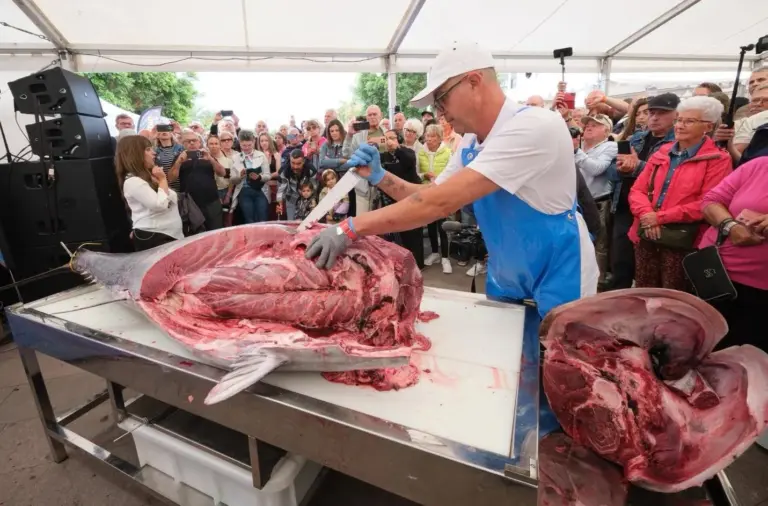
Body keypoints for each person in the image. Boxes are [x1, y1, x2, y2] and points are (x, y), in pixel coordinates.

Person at [306, 41, 598, 320]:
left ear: (473, 81)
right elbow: (429, 193)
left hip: (559, 274)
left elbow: (438, 203)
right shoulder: (472, 142)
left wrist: (349, 228)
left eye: (441, 98)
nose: (439, 111)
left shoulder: (534, 126)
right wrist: (380, 176)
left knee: (560, 363)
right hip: (508, 273)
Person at [628, 96, 732, 290]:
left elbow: (708, 203)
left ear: (708, 127)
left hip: (683, 239)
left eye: (689, 121)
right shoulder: (663, 152)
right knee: (645, 291)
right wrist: (646, 215)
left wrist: (659, 217)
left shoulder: (718, 159)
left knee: (675, 295)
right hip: (646, 233)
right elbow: (637, 190)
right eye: (679, 120)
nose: (680, 125)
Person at [607, 93, 679, 289]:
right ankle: (617, 306)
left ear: (676, 115)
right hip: (624, 206)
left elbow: (669, 177)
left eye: (660, 113)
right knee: (621, 263)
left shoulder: (678, 144)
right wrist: (621, 168)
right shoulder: (635, 138)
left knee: (649, 269)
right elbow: (612, 172)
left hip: (654, 212)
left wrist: (638, 167)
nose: (653, 117)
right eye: (650, 113)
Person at [700, 157, 768, 353]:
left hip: (761, 290)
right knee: (706, 346)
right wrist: (731, 226)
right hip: (716, 275)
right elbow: (710, 201)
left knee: (752, 357)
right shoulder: (759, 165)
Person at [115, 136, 183, 251]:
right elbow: (160, 205)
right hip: (156, 236)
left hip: (167, 234)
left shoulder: (147, 177)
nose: (154, 153)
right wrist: (163, 180)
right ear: (135, 154)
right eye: (147, 149)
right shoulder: (133, 181)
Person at [377, 130, 425, 268]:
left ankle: (417, 265)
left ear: (398, 139)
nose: (389, 141)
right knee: (396, 234)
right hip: (392, 199)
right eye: (385, 139)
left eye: (391, 138)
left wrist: (396, 148)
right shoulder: (382, 156)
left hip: (411, 198)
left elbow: (409, 162)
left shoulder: (407, 151)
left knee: (413, 234)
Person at [169, 131, 226, 231]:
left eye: (194, 140)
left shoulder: (207, 155)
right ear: (183, 144)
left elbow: (222, 173)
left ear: (199, 142)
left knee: (216, 231)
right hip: (190, 203)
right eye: (188, 141)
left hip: (211, 201)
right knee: (195, 233)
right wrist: (179, 162)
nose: (191, 143)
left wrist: (211, 160)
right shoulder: (179, 157)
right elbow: (171, 178)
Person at [418, 123, 453, 273]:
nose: (429, 139)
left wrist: (440, 179)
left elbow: (452, 172)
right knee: (431, 225)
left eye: (433, 136)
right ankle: (434, 253)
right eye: (427, 135)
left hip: (442, 193)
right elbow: (416, 173)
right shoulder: (420, 152)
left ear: (439, 138)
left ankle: (445, 258)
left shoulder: (447, 152)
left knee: (442, 226)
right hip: (426, 192)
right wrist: (424, 175)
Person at [343, 105, 386, 215]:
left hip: (383, 184)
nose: (372, 117)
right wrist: (349, 135)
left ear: (380, 116)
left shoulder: (387, 133)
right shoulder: (358, 136)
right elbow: (347, 154)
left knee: (380, 221)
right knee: (363, 220)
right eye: (369, 115)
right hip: (363, 186)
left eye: (375, 114)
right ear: (366, 117)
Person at [235, 130, 273, 223]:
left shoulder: (261, 155)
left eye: (249, 145)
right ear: (239, 143)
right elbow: (232, 180)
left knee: (263, 219)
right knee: (249, 220)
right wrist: (240, 176)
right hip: (244, 191)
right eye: (244, 145)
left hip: (261, 191)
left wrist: (259, 177)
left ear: (254, 142)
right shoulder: (236, 157)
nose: (247, 148)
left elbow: (268, 175)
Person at [277, 149, 317, 220]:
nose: (295, 166)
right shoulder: (283, 171)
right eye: (293, 163)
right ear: (289, 160)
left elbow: (313, 188)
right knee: (291, 222)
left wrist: (312, 201)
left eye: (298, 164)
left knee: (307, 222)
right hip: (291, 196)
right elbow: (281, 190)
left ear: (303, 161)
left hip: (307, 198)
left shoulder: (311, 170)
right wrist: (279, 206)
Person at [154, 125, 185, 192]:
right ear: (157, 135)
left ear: (171, 134)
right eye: (161, 130)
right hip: (165, 186)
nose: (164, 132)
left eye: (167, 130)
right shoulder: (155, 151)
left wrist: (181, 132)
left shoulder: (180, 148)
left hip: (181, 184)